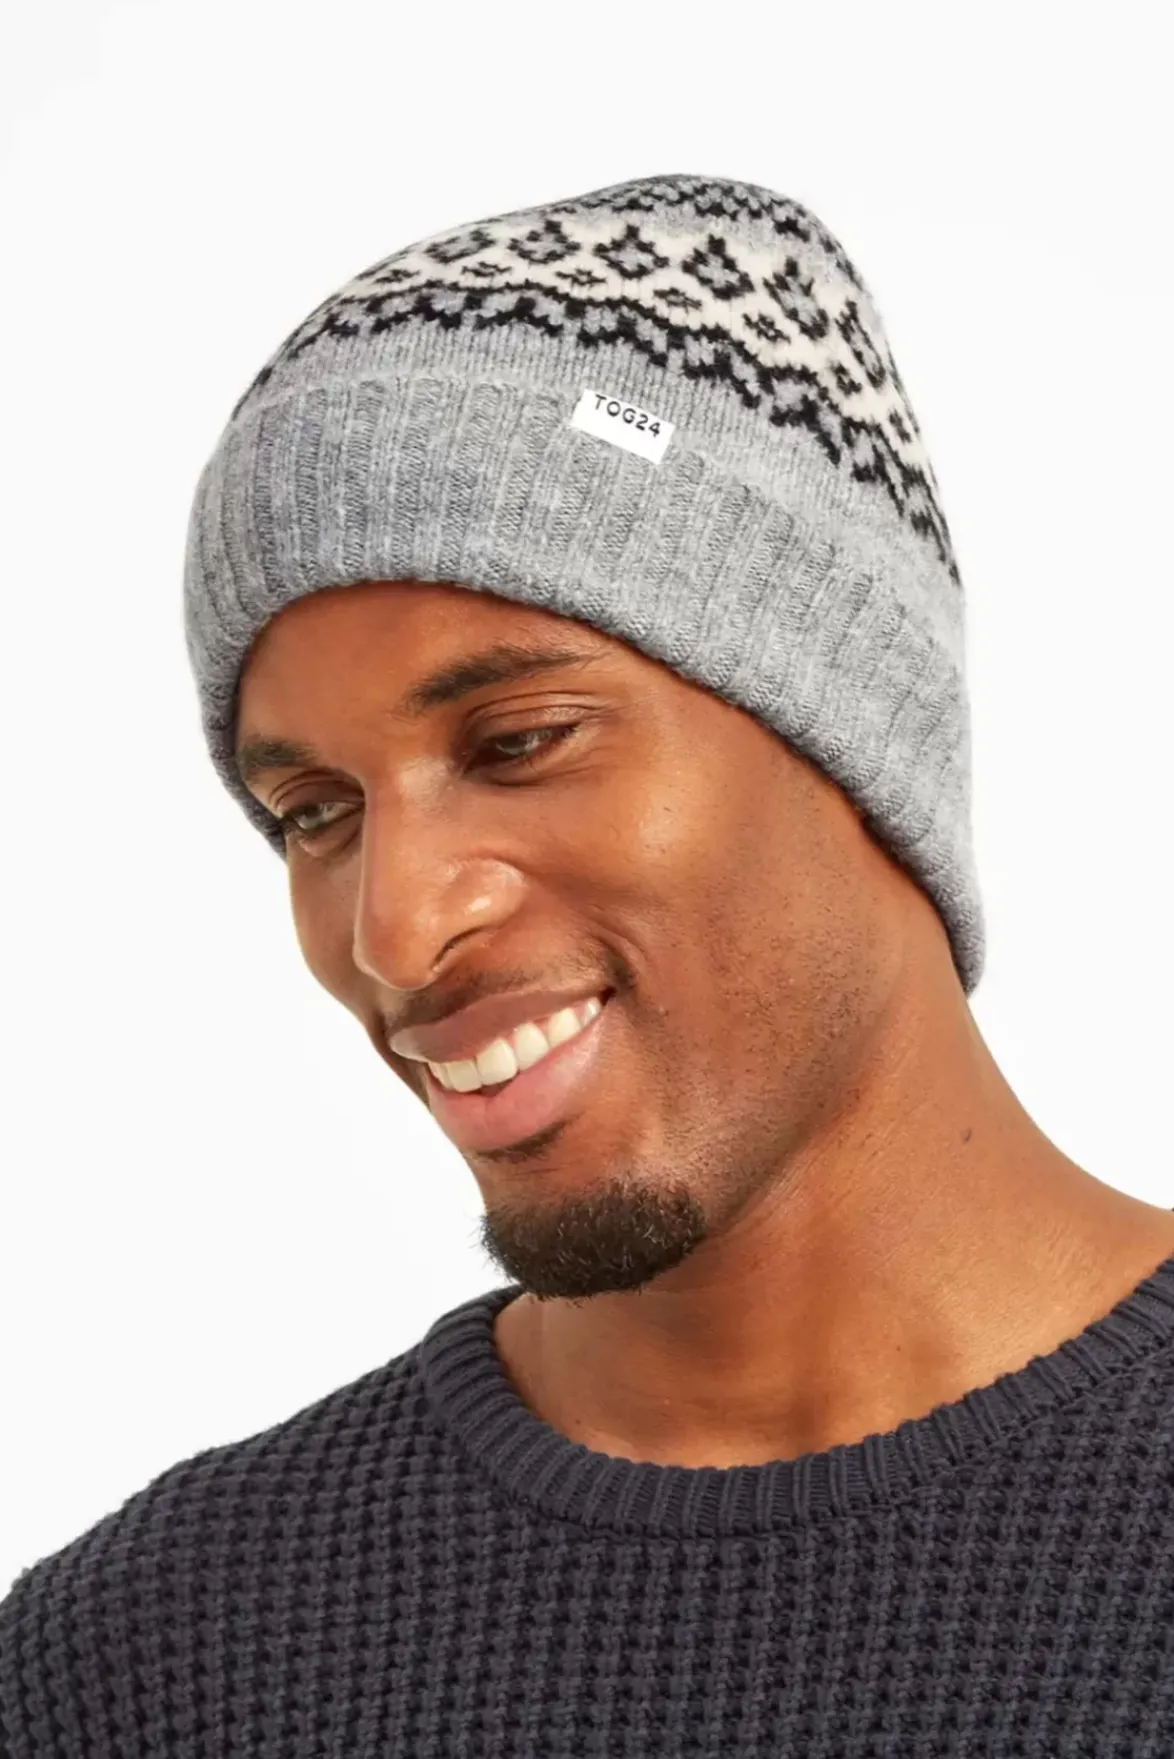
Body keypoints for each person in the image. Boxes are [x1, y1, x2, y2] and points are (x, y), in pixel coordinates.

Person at [3, 171, 1173, 1755]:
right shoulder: (143, 1660)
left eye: (520, 740)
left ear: (848, 731)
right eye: (315, 813)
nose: (394, 931)